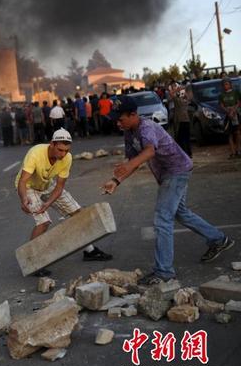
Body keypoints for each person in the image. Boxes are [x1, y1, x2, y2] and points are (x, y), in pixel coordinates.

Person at [101, 98, 235, 284]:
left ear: (133, 115)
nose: (117, 123)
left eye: (120, 119)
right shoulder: (129, 132)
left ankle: (164, 272)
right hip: (168, 174)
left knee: (163, 218)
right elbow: (132, 162)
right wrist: (116, 180)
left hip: (177, 171)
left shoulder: (146, 127)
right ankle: (219, 239)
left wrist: (129, 164)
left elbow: (149, 152)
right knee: (180, 213)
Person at [16, 128, 113, 277]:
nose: (63, 154)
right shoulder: (36, 153)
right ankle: (33, 261)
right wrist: (24, 199)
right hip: (28, 187)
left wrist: (48, 202)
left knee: (78, 213)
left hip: (48, 185)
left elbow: (60, 186)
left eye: (66, 150)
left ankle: (90, 251)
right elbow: (23, 180)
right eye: (60, 150)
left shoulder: (67, 158)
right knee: (44, 221)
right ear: (52, 144)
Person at [218, 78, 241, 159]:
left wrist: (234, 110)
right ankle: (232, 152)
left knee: (237, 133)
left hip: (235, 114)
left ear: (230, 84)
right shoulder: (221, 95)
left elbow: (238, 102)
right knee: (229, 134)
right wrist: (227, 111)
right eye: (224, 84)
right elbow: (221, 105)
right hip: (227, 116)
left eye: (227, 84)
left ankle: (238, 150)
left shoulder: (236, 92)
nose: (226, 86)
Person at [171, 86, 192, 157]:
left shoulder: (177, 100)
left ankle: (183, 154)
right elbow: (187, 96)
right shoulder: (186, 101)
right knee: (187, 138)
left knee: (180, 139)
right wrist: (183, 91)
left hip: (180, 122)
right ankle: (189, 153)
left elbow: (171, 94)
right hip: (187, 121)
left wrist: (176, 90)